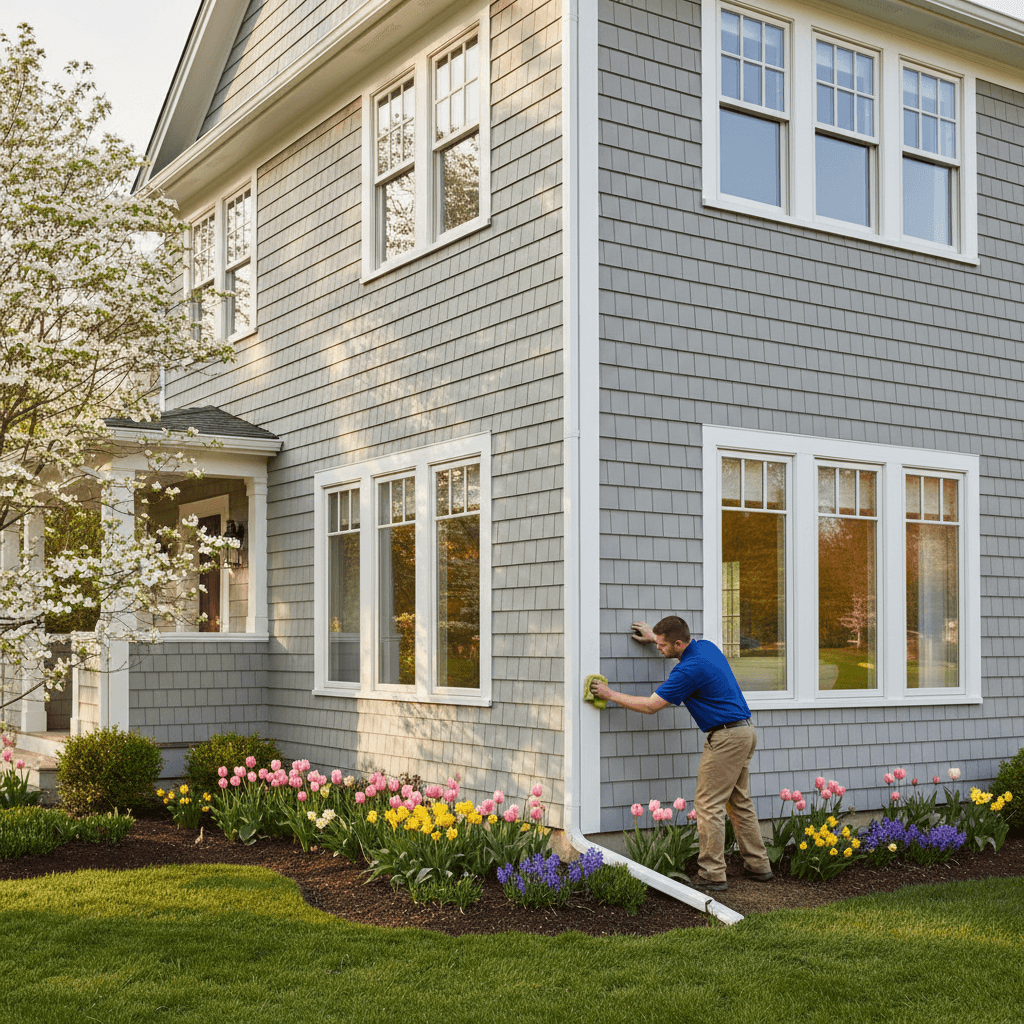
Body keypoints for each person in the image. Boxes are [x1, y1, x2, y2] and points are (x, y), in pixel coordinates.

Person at [589, 615, 772, 893]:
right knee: (738, 801)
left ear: (678, 643)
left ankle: (712, 874)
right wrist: (653, 636)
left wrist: (608, 693)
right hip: (744, 732)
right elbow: (675, 648)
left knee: (708, 804)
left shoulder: (688, 671)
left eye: (662, 645)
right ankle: (758, 866)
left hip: (725, 738)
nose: (659, 649)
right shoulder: (706, 647)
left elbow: (651, 706)